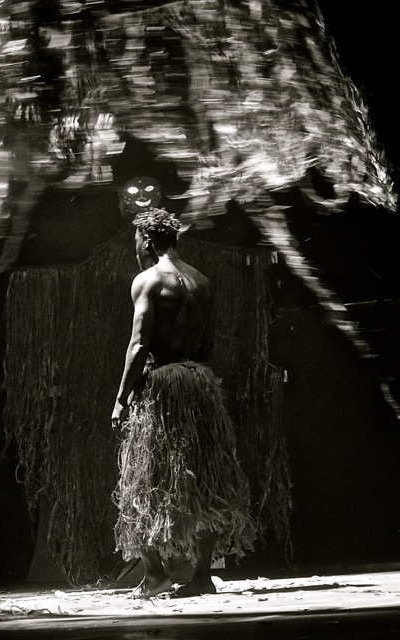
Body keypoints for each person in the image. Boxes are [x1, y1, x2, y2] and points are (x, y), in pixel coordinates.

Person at [111, 207, 256, 598]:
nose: (135, 250)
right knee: (205, 481)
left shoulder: (148, 280)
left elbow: (139, 344)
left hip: (163, 387)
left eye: (136, 242)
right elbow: (207, 344)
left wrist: (121, 399)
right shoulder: (201, 282)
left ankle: (155, 574)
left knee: (143, 480)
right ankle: (202, 576)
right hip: (199, 383)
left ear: (147, 240)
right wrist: (199, 386)